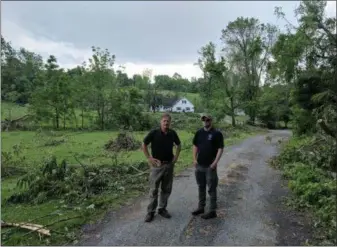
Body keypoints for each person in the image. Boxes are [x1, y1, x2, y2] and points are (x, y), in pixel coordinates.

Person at [142, 113, 181, 222]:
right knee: (153, 189)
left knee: (166, 189)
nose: (166, 123)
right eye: (164, 121)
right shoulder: (154, 133)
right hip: (157, 166)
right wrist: (149, 158)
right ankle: (150, 212)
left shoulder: (172, 133)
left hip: (169, 165)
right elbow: (144, 144)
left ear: (170, 122)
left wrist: (175, 158)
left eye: (168, 121)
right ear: (161, 122)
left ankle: (162, 209)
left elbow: (179, 145)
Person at [191, 114, 224, 219]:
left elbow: (220, 148)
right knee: (201, 187)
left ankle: (212, 211)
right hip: (199, 165)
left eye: (208, 120)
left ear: (211, 120)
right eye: (204, 120)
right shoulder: (199, 132)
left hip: (210, 166)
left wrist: (215, 162)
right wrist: (194, 159)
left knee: (211, 188)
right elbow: (195, 145)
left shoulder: (217, 133)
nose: (206, 121)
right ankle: (201, 207)